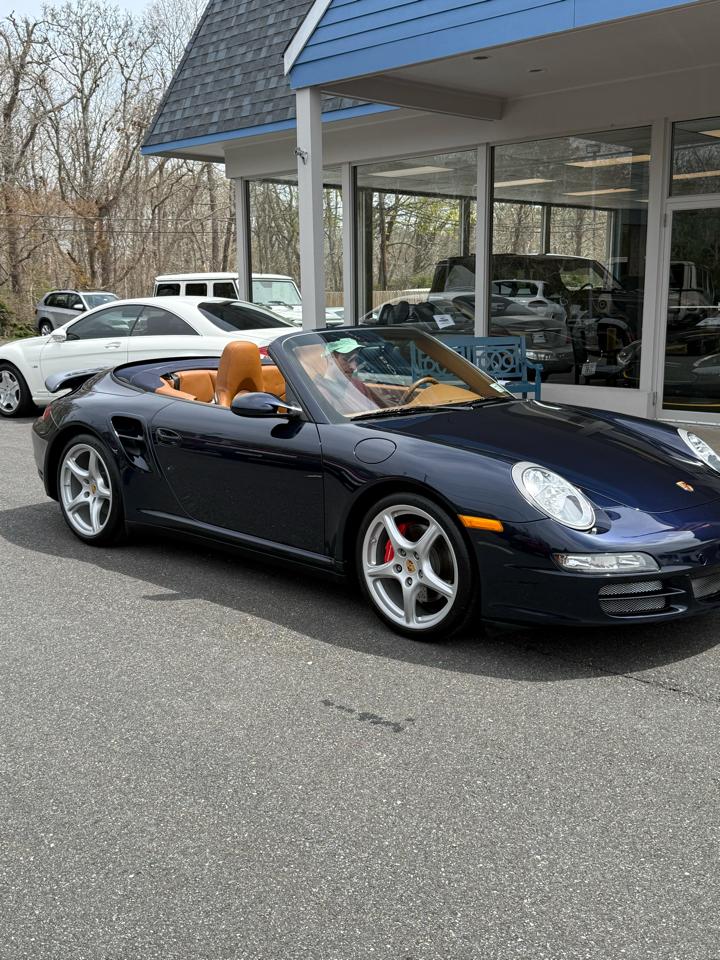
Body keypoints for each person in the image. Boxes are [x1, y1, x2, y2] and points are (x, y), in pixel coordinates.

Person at [314, 337, 381, 415]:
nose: (354, 367)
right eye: (346, 359)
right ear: (330, 359)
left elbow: (377, 412)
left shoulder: (358, 385)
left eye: (355, 360)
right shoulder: (319, 392)